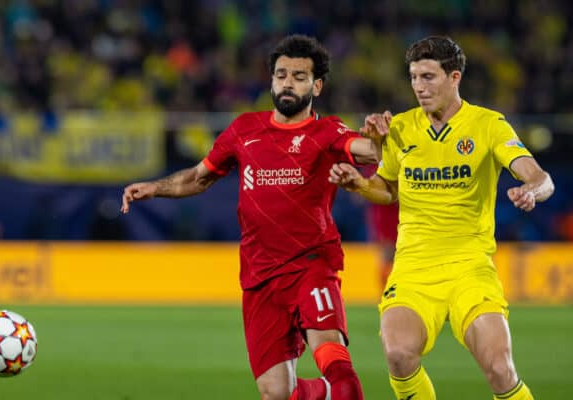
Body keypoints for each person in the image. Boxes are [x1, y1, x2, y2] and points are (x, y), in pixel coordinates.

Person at [121, 34, 384, 400]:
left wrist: (378, 140)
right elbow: (200, 177)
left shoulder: (327, 131)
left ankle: (342, 392)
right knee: (275, 392)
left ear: (317, 85)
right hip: (260, 276)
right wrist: (155, 187)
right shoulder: (245, 130)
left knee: (338, 370)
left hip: (311, 263)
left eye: (298, 76)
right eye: (281, 75)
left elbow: (367, 151)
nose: (287, 82)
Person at [329, 36, 554, 400]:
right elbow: (388, 189)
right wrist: (357, 184)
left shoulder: (488, 125)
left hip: (470, 267)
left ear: (454, 78)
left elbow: (540, 177)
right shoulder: (401, 127)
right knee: (399, 354)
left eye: (428, 77)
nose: (419, 86)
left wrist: (532, 190)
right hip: (415, 268)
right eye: (414, 77)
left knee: (499, 368)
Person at [362, 164, 399, 292]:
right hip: (385, 219)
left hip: (404, 218)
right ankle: (385, 293)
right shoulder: (375, 163)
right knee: (387, 255)